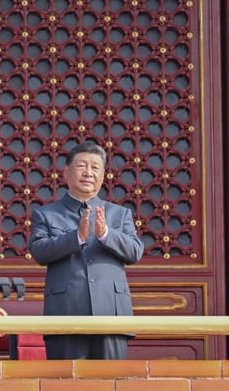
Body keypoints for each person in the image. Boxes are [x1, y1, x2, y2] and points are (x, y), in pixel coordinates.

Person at [29, 141, 144, 359]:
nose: (88, 173)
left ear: (103, 175)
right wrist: (77, 237)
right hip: (65, 312)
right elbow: (39, 251)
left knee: (111, 386)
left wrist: (105, 234)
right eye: (82, 166)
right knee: (67, 386)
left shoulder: (119, 214)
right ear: (66, 172)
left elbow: (135, 252)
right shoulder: (46, 214)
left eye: (95, 167)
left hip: (111, 314)